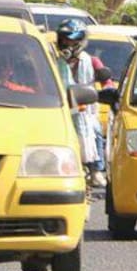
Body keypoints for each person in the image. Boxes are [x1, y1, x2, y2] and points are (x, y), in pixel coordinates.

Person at [58, 19, 105, 188]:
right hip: (61, 107)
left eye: (71, 39)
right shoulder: (55, 61)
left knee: (95, 131)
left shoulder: (91, 61)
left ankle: (96, 170)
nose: (67, 43)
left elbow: (106, 81)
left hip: (87, 108)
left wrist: (106, 90)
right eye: (64, 39)